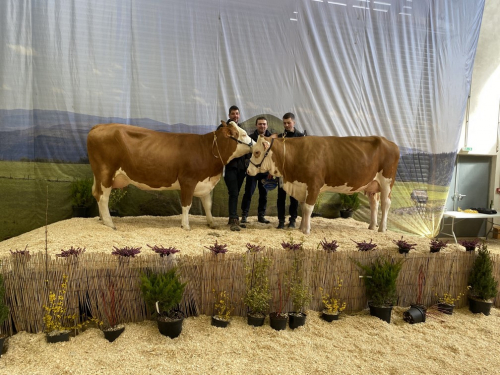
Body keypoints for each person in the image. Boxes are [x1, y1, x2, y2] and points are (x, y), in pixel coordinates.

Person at [219, 105, 248, 231]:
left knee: (236, 193)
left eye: (237, 113)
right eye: (233, 114)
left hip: (241, 167)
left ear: (239, 115)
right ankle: (234, 218)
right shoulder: (223, 128)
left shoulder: (241, 129)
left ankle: (233, 218)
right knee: (233, 192)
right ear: (229, 115)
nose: (235, 116)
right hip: (229, 166)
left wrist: (247, 162)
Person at [240, 117, 273, 224]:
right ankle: (244, 215)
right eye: (260, 124)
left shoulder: (271, 139)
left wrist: (271, 171)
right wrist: (247, 164)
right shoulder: (250, 138)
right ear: (256, 125)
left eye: (264, 124)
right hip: (253, 171)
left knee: (264, 194)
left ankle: (261, 216)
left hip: (265, 172)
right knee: (248, 193)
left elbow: (273, 157)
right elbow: (246, 154)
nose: (262, 126)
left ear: (267, 126)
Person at [277, 112, 305, 229]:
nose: (287, 125)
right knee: (281, 197)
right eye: (284, 123)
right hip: (282, 173)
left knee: (294, 197)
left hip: (295, 174)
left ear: (294, 122)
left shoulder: (301, 137)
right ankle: (281, 221)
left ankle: (293, 220)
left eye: (289, 122)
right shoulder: (280, 137)